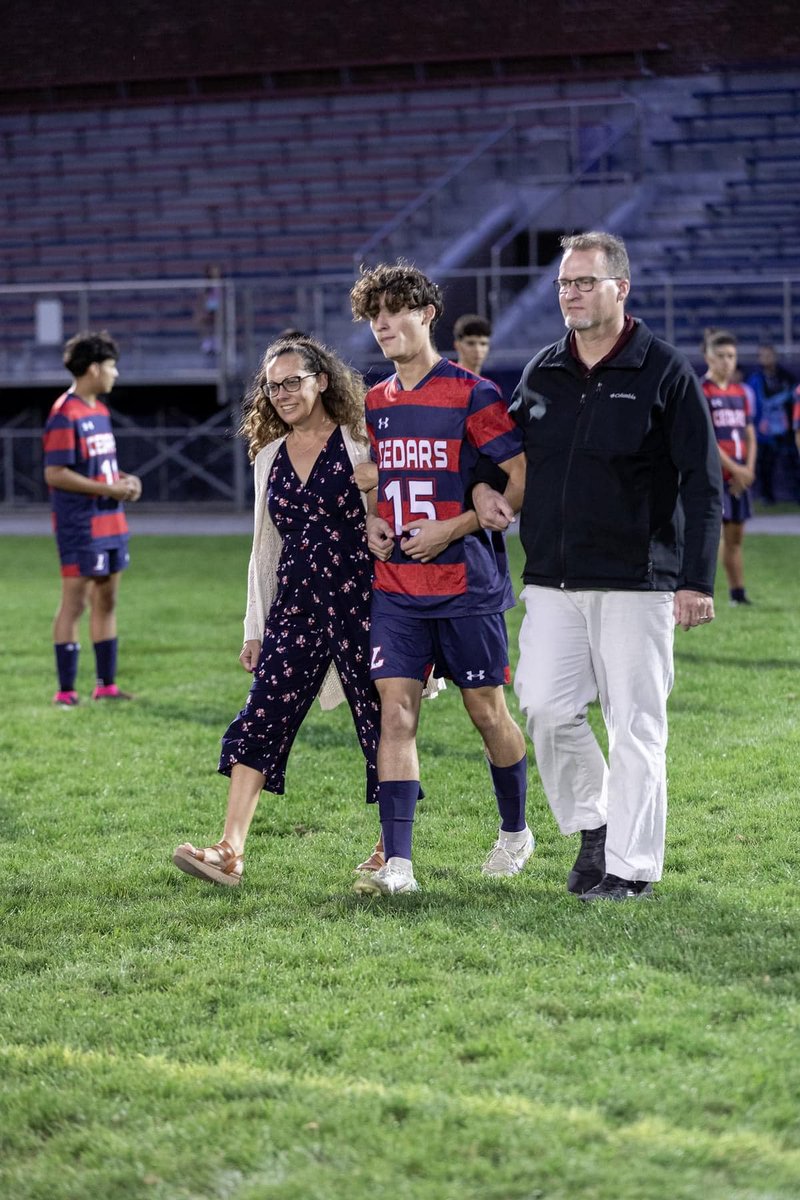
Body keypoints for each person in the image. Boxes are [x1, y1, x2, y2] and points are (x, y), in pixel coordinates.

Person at [474, 231, 723, 902]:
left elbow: (704, 482)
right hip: (552, 576)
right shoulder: (544, 369)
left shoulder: (664, 370)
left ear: (621, 288)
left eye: (585, 282)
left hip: (637, 580)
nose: (572, 294)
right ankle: (594, 823)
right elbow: (500, 452)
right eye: (564, 283)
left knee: (635, 722)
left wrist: (697, 579)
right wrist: (481, 490)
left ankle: (630, 868)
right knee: (547, 708)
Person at [348, 262, 532, 896]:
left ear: (427, 314)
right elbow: (379, 480)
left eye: (395, 311)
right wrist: (374, 519)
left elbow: (517, 476)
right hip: (396, 587)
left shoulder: (474, 394)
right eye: (375, 316)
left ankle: (515, 832)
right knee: (395, 716)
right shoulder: (376, 401)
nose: (383, 324)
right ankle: (398, 862)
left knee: (487, 713)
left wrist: (456, 526)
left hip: (467, 586)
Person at [172, 334, 381, 887]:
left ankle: (392, 849)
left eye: (294, 381)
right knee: (260, 716)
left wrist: (378, 482)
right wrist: (254, 628)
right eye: (273, 384)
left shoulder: (362, 440)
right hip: (294, 609)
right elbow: (264, 548)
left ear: (322, 380)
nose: (283, 392)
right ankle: (229, 850)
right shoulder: (268, 456)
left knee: (381, 722)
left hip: (364, 604)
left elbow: (396, 511)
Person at [43, 330, 142, 706]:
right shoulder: (64, 413)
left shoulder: (98, 411)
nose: (115, 374)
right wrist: (108, 490)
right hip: (81, 525)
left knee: (107, 600)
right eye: (112, 366)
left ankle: (106, 686)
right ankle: (66, 692)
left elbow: (100, 469)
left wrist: (124, 482)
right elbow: (55, 473)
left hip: (111, 521)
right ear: (95, 368)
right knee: (75, 604)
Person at [702, 329, 757, 606]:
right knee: (709, 540)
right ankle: (697, 593)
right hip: (715, 478)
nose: (727, 362)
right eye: (721, 356)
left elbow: (749, 434)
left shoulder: (740, 392)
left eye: (731, 356)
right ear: (708, 357)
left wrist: (747, 469)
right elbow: (707, 439)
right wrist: (736, 469)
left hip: (739, 478)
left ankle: (738, 593)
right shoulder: (702, 391)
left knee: (735, 538)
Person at [745, 342, 797, 504]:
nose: (767, 359)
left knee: (792, 464)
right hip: (763, 431)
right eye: (763, 355)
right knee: (764, 465)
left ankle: (796, 497)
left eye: (769, 355)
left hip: (785, 430)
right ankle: (767, 497)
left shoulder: (786, 377)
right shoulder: (755, 379)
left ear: (775, 356)